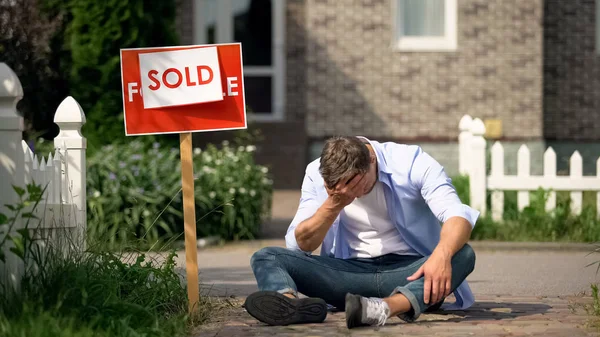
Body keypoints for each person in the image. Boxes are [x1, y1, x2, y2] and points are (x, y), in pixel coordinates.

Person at [244, 136, 479, 329]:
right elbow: (299, 245)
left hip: (410, 273)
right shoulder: (316, 173)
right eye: (339, 186)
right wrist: (334, 203)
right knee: (267, 257)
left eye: (355, 183)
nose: (351, 192)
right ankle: (289, 306)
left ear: (371, 160)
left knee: (463, 254)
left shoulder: (411, 162)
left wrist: (441, 255)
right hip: (348, 273)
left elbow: (457, 215)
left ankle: (384, 309)